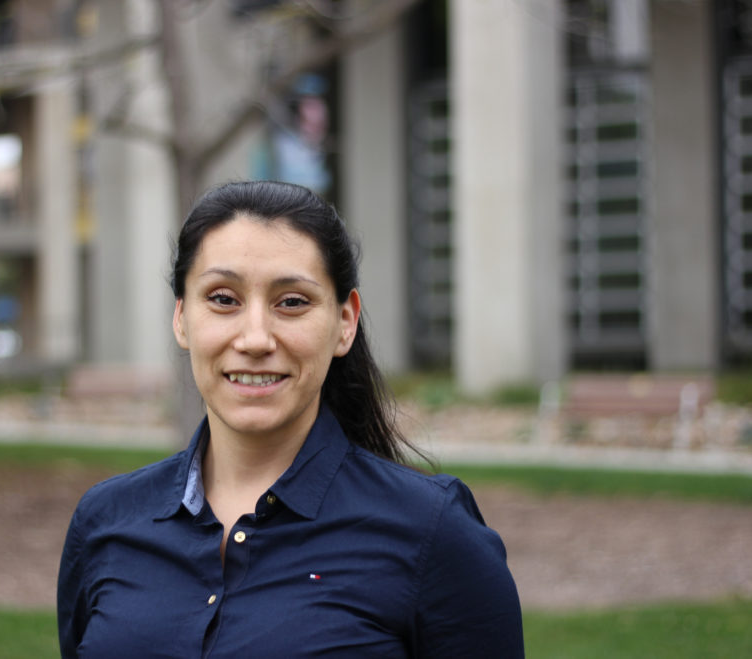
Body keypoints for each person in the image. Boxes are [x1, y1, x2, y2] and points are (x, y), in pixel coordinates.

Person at [57, 181, 523, 658]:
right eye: (223, 299)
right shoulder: (105, 522)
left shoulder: (434, 533)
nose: (255, 338)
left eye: (292, 302)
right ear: (181, 318)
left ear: (345, 322)